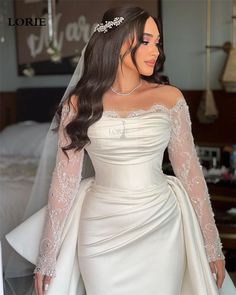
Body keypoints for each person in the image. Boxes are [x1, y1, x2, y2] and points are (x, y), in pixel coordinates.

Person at [5, 5, 236, 295]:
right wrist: (47, 257)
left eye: (158, 42)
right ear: (121, 42)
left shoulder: (169, 98)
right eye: (147, 41)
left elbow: (190, 175)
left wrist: (211, 245)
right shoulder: (79, 104)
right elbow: (64, 182)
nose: (156, 51)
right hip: (99, 229)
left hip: (161, 225)